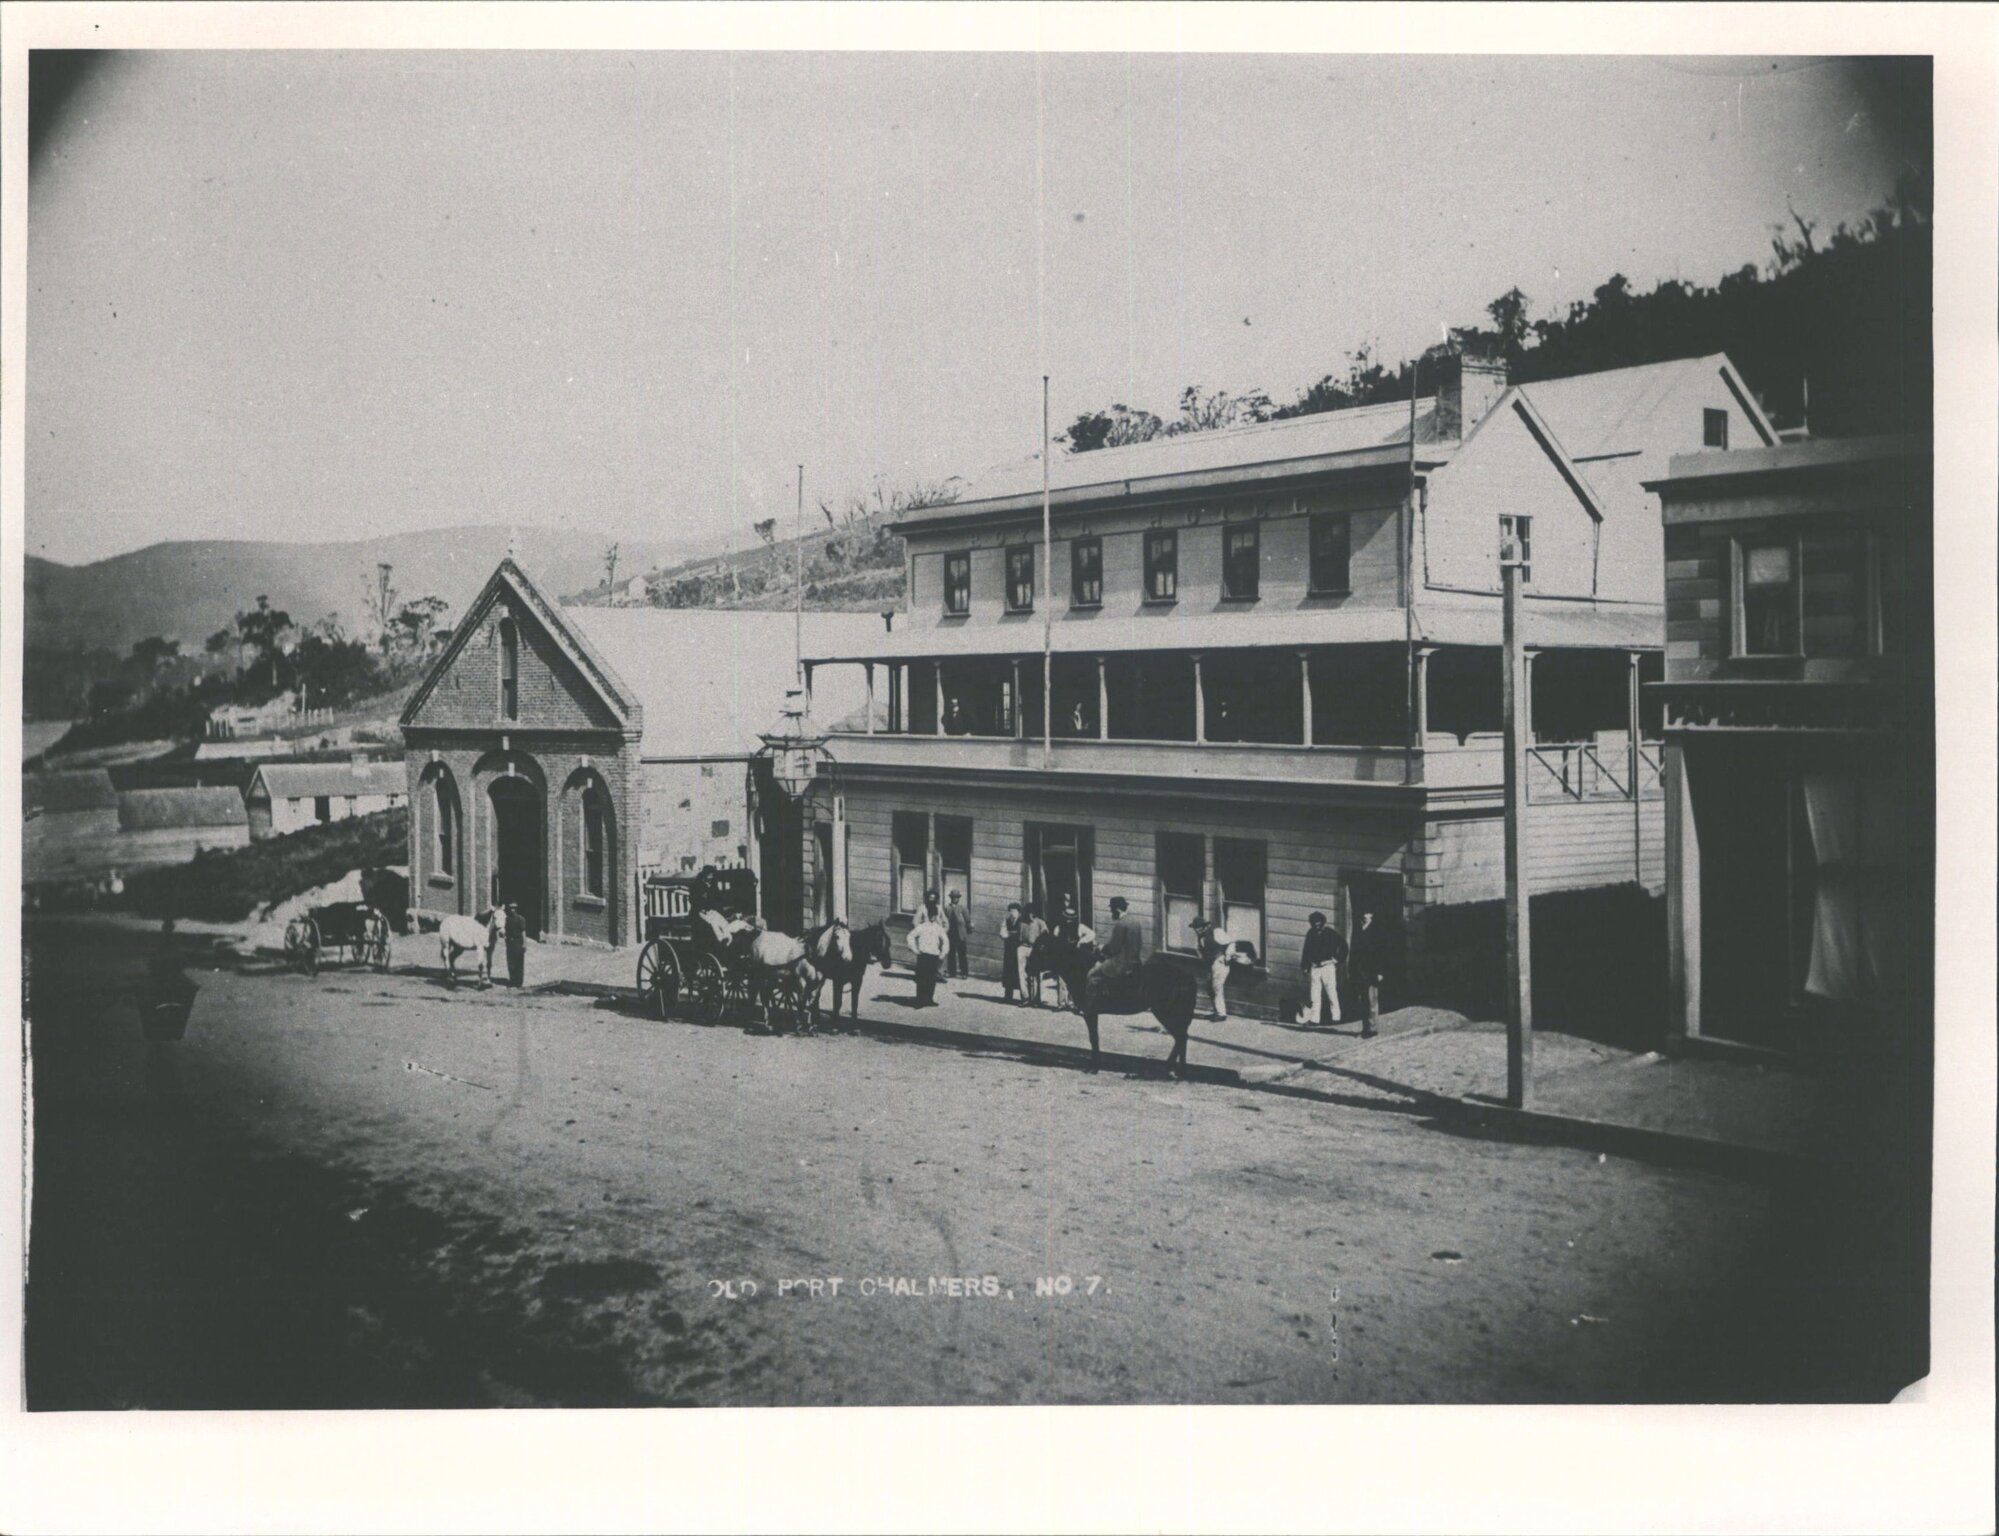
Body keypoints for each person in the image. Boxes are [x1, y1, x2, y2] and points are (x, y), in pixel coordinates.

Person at [1086, 895, 1144, 1003]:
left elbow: (1113, 949)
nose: (1112, 913)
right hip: (1135, 962)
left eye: (1112, 910)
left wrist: (1100, 947)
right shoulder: (1136, 922)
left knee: (1092, 974)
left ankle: (1090, 1007)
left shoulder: (1121, 924)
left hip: (1120, 964)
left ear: (1117, 910)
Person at [1299, 910, 1347, 1028]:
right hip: (1315, 968)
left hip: (1327, 967)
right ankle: (1315, 1019)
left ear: (1323, 923)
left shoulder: (1330, 933)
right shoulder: (1310, 934)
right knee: (1315, 995)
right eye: (1314, 923)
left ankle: (1336, 1018)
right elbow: (1306, 951)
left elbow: (1344, 946)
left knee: (1331, 992)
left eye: (1319, 923)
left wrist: (1336, 960)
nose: (1316, 926)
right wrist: (1305, 966)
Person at [907, 892, 950, 1007]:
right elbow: (913, 931)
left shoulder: (939, 912)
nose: (932, 900)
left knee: (931, 978)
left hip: (934, 951)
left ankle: (929, 999)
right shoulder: (922, 910)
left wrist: (942, 952)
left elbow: (945, 936)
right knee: (921, 977)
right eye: (930, 898)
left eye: (934, 898)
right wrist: (917, 946)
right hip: (923, 950)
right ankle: (920, 999)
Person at [1192, 916, 1237, 1023]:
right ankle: (1216, 1011)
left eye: (1198, 927)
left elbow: (1231, 942)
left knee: (1216, 987)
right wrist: (1200, 955)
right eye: (1195, 927)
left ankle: (1221, 1014)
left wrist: (1228, 955)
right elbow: (1199, 949)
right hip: (1210, 964)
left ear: (1204, 926)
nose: (1196, 930)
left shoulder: (1216, 931)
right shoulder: (1200, 937)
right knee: (1209, 988)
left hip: (1220, 962)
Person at [1348, 909, 1384, 1039]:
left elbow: (1380, 953)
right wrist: (1351, 969)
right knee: (1363, 1000)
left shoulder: (1376, 931)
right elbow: (1353, 952)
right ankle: (1365, 1028)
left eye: (1367, 913)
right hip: (1359, 971)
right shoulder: (1358, 930)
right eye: (1363, 913)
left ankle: (1372, 1028)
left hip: (1371, 970)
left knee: (1372, 1000)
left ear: (1371, 916)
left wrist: (1380, 971)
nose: (1364, 916)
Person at [1014, 903, 1047, 1005]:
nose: (1030, 915)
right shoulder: (1021, 923)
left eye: (1032, 913)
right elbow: (1017, 935)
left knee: (1036, 974)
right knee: (1022, 973)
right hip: (1022, 947)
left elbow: (1045, 936)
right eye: (1028, 913)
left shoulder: (1040, 923)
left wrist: (1041, 947)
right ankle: (1025, 998)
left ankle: (1036, 999)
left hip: (1035, 949)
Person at [944, 890, 972, 979]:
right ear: (951, 898)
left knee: (962, 955)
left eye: (956, 897)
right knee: (951, 954)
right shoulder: (947, 908)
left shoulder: (963, 908)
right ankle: (952, 972)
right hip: (951, 934)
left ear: (959, 898)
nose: (955, 899)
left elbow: (968, 920)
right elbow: (944, 920)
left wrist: (968, 930)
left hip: (960, 934)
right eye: (953, 897)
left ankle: (964, 973)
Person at [1000, 902, 1023, 1003]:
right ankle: (1008, 996)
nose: (1012, 914)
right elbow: (1002, 933)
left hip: (1019, 948)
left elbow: (1021, 934)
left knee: (1020, 972)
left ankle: (1023, 997)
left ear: (1019, 912)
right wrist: (1011, 934)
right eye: (1010, 912)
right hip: (1009, 950)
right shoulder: (1006, 921)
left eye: (1014, 911)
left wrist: (1010, 934)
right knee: (1008, 972)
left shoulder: (1022, 922)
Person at [504, 901, 527, 989]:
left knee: (519, 963)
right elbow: (505, 931)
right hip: (510, 943)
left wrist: (524, 943)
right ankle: (512, 981)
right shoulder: (507, 919)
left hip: (518, 942)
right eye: (510, 908)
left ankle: (519, 983)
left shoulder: (521, 919)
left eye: (514, 908)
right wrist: (505, 938)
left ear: (516, 909)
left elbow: (523, 932)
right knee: (510, 963)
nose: (512, 910)